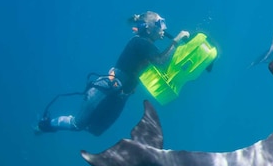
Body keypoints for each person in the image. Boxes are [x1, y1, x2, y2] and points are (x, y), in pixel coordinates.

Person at [36, 11, 190, 135]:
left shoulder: (147, 46)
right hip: (108, 89)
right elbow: (161, 61)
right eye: (159, 23)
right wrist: (176, 41)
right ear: (148, 28)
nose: (163, 26)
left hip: (118, 95)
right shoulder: (140, 42)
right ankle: (45, 125)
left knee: (95, 131)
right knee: (78, 124)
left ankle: (46, 126)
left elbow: (161, 61)